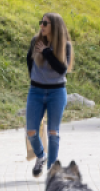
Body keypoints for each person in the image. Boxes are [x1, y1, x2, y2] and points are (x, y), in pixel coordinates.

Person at [26, 12, 74, 176]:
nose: (42, 26)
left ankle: (52, 170)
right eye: (41, 22)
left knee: (53, 132)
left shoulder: (64, 45)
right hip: (36, 91)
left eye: (45, 23)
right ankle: (41, 155)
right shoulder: (36, 41)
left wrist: (47, 52)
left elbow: (62, 70)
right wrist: (35, 78)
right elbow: (29, 61)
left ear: (55, 26)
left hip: (56, 92)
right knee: (31, 131)